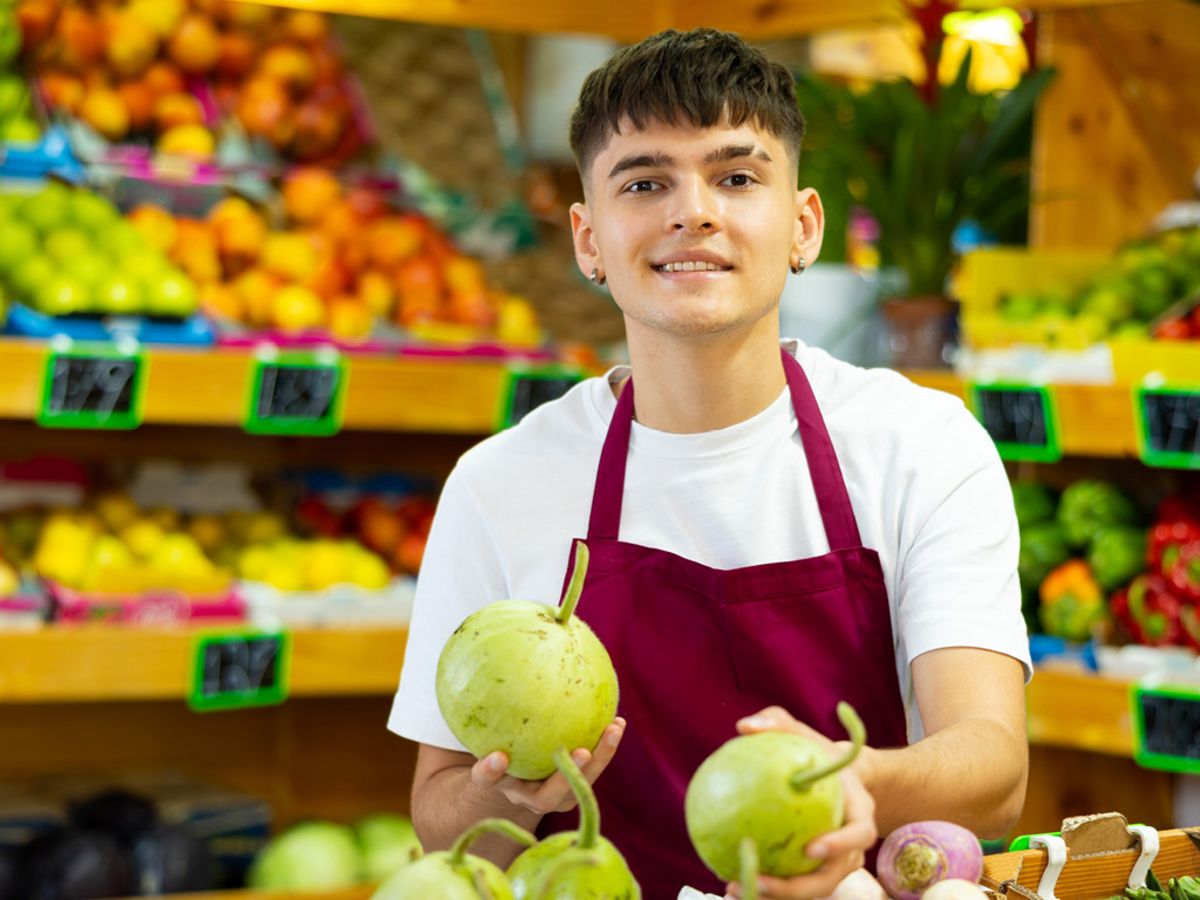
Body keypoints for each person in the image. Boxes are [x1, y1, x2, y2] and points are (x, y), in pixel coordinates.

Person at [388, 28, 1030, 900]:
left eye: (735, 177)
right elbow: (439, 820)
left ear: (803, 225)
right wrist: (496, 794)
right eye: (645, 182)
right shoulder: (501, 483)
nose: (692, 211)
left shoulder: (921, 445)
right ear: (588, 240)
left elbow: (995, 768)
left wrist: (856, 785)